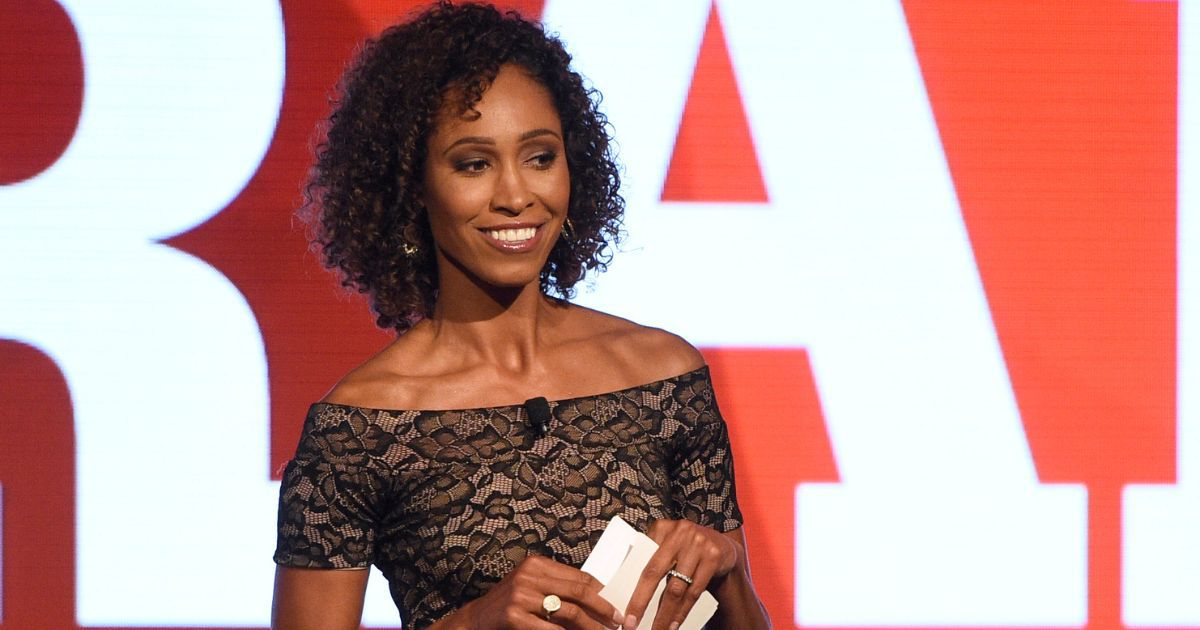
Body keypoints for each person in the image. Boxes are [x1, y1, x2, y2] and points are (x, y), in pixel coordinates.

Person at [271, 2, 770, 629]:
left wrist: (726, 569)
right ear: (412, 186)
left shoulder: (666, 376)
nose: (516, 195)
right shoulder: (358, 429)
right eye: (473, 164)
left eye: (540, 157)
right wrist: (472, 622)